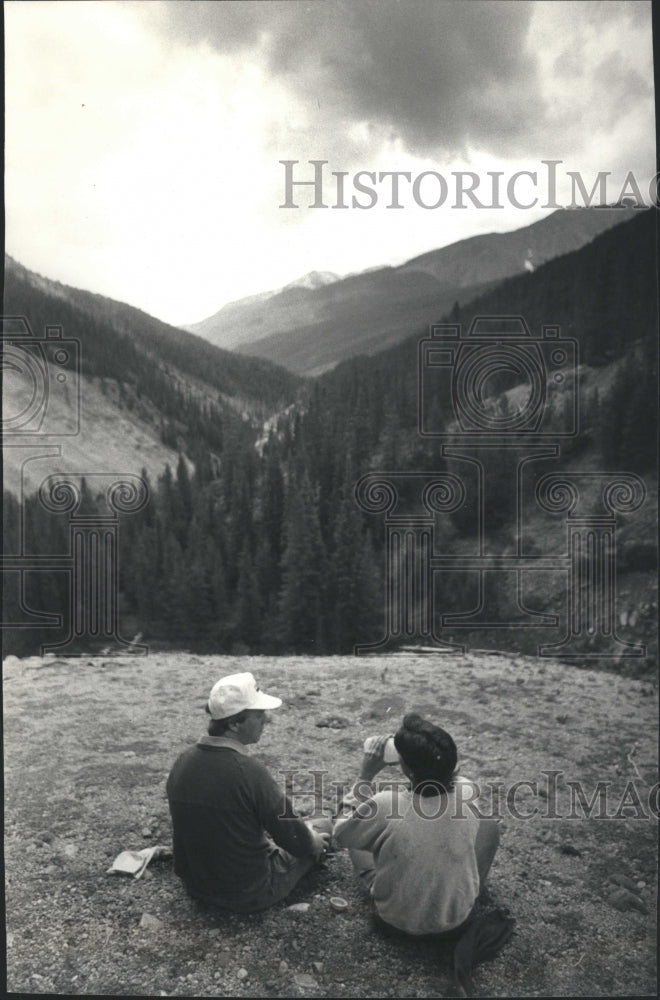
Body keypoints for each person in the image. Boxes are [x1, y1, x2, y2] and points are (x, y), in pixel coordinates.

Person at [166, 671, 331, 913]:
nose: (266, 720)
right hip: (247, 892)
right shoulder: (249, 771)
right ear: (234, 723)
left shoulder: (183, 760)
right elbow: (296, 841)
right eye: (259, 714)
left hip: (196, 885)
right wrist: (314, 842)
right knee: (323, 826)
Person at [333, 713, 500, 937]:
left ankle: (377, 883)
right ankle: (470, 891)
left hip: (394, 923)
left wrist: (365, 776)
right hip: (456, 922)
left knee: (356, 827)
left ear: (408, 770)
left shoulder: (385, 803)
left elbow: (340, 835)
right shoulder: (466, 790)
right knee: (488, 825)